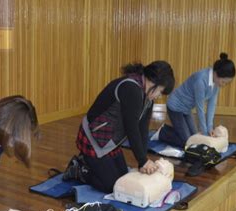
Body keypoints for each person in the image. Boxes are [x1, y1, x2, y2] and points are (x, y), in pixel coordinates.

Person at [64, 61, 175, 193]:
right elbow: (132, 128)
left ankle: (91, 164)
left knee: (122, 180)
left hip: (109, 141)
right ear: (153, 81)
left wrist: (142, 160)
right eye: (160, 91)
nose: (159, 96)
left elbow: (143, 129)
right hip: (93, 138)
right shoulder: (131, 89)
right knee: (111, 186)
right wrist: (143, 160)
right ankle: (79, 169)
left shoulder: (147, 97)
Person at [156, 52, 235, 148]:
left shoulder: (216, 84)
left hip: (186, 109)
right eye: (223, 82)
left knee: (194, 136)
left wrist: (210, 128)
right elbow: (200, 108)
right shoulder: (201, 80)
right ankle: (163, 132)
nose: (223, 85)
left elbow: (211, 105)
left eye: (226, 83)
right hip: (175, 107)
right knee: (189, 142)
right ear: (216, 74)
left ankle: (178, 131)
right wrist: (206, 133)